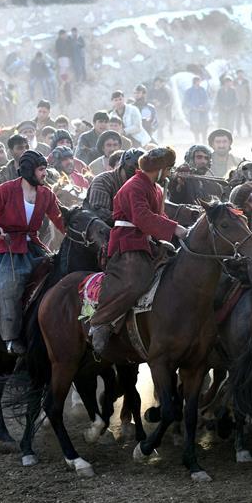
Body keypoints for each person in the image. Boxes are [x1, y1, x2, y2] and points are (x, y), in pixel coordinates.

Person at [87, 147, 188, 356]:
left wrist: (175, 227)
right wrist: (174, 228)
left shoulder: (156, 188)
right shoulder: (134, 186)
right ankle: (100, 322)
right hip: (127, 241)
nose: (169, 173)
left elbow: (158, 217)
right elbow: (142, 217)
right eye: (168, 169)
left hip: (146, 241)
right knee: (136, 281)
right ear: (159, 169)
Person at [0, 150, 65, 355]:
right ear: (28, 171)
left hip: (34, 246)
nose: (45, 174)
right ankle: (10, 338)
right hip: (7, 247)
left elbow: (60, 218)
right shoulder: (5, 190)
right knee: (7, 287)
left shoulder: (46, 194)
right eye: (41, 169)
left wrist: (76, 230)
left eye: (45, 169)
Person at [85, 148, 145, 224]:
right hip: (100, 229)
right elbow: (99, 212)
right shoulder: (103, 181)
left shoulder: (142, 186)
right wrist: (129, 219)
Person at [183, 76, 210, 143]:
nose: (199, 82)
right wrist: (193, 107)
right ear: (194, 82)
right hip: (194, 112)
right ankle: (197, 140)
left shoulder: (202, 89)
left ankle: (204, 140)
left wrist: (203, 106)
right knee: (195, 127)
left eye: (199, 81)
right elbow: (186, 101)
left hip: (203, 111)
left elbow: (206, 99)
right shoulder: (189, 91)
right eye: (198, 81)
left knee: (204, 126)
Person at [234, 69, 252, 137]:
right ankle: (239, 133)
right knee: (238, 120)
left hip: (245, 103)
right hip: (237, 104)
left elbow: (249, 93)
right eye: (239, 73)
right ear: (237, 74)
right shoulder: (234, 82)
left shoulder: (246, 81)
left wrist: (248, 102)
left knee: (247, 119)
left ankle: (249, 132)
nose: (240, 75)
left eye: (241, 73)